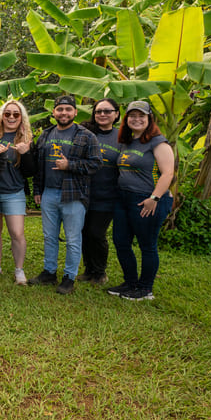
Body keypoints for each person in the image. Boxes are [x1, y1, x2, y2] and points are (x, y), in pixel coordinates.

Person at [29, 95, 101, 295]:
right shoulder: (45, 134)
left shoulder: (86, 135)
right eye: (60, 109)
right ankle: (49, 272)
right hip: (49, 193)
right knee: (49, 236)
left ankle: (69, 277)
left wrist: (70, 165)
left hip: (74, 195)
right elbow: (38, 166)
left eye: (68, 109)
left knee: (72, 238)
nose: (64, 113)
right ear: (54, 112)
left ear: (75, 112)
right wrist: (37, 190)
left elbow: (96, 164)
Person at [108, 100, 175, 301]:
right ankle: (130, 283)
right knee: (121, 242)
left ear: (149, 119)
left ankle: (145, 289)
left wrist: (154, 198)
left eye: (141, 116)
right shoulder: (127, 142)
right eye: (132, 116)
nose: (136, 119)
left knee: (147, 245)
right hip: (123, 199)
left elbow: (168, 173)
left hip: (147, 200)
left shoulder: (158, 142)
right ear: (126, 119)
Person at [0, 100, 35, 286]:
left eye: (16, 114)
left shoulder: (27, 139)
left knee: (16, 232)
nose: (11, 117)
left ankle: (19, 270)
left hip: (14, 192)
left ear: (21, 118)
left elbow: (31, 172)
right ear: (2, 116)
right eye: (7, 113)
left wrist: (25, 154)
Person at [77, 99, 121, 285]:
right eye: (98, 111)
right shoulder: (86, 134)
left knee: (96, 233)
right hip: (83, 193)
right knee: (84, 232)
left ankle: (100, 272)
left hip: (107, 195)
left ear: (116, 114)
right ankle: (89, 269)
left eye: (107, 111)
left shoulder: (122, 138)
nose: (102, 114)